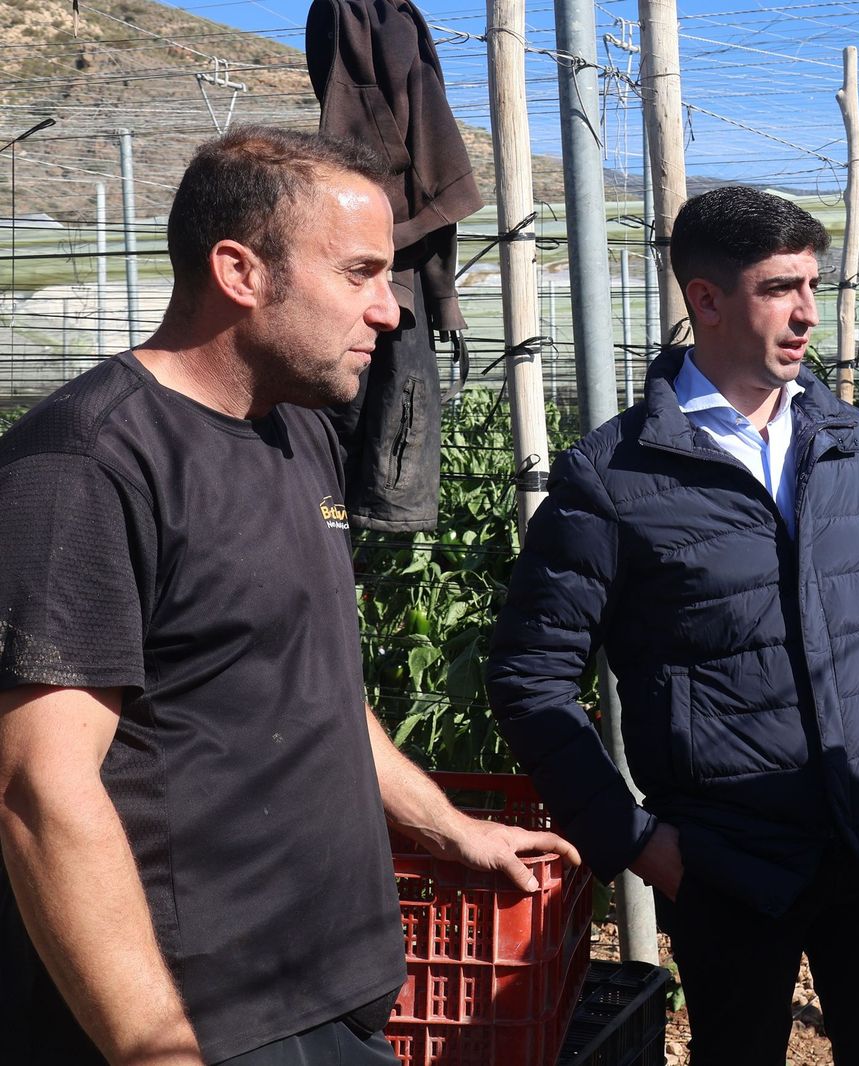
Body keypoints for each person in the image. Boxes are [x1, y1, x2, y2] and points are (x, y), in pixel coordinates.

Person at [0, 127, 577, 1066]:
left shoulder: (293, 434)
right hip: (203, 1013)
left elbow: (314, 686)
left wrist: (451, 829)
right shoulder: (84, 467)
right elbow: (39, 790)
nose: (388, 312)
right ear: (240, 272)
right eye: (358, 273)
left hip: (334, 984)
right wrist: (157, 1049)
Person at [486, 184, 859, 1065]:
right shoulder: (616, 476)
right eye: (781, 287)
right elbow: (529, 673)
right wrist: (634, 839)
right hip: (730, 858)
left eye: (814, 286)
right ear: (705, 298)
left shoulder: (849, 441)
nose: (808, 313)